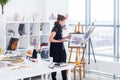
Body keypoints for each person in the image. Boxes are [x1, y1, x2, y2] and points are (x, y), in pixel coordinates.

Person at [49, 14, 71, 80]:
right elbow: (50, 39)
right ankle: (54, 78)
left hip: (61, 49)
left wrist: (66, 37)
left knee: (63, 65)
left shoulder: (59, 27)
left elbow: (59, 37)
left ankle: (65, 78)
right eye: (64, 22)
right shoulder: (55, 28)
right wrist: (61, 41)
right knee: (55, 65)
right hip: (56, 51)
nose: (64, 23)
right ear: (60, 21)